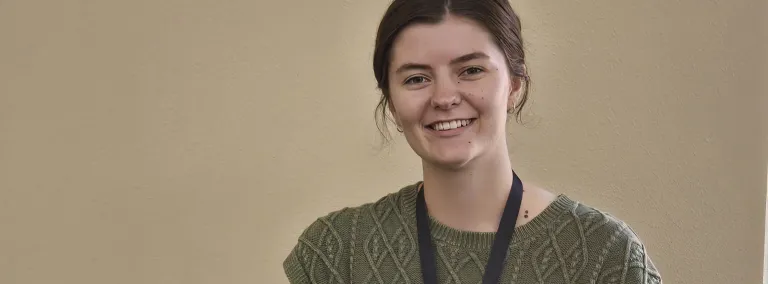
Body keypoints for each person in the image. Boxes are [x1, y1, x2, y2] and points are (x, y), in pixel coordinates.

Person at [283, 0, 662, 283]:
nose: (444, 97)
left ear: (514, 85)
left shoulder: (605, 254)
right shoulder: (336, 253)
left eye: (471, 70)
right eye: (416, 78)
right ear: (392, 104)